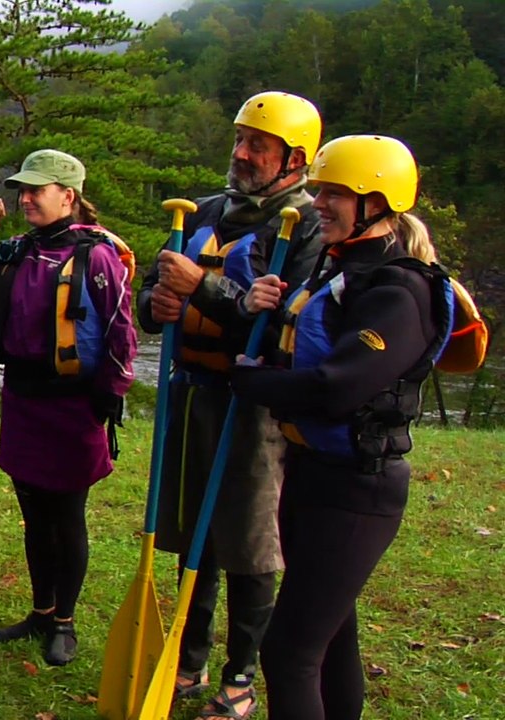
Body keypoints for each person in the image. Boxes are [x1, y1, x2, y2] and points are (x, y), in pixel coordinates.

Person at [232, 135, 453, 720]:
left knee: (287, 652)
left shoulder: (398, 290)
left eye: (336, 195)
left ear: (378, 203)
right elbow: (303, 352)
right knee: (330, 643)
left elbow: (337, 387)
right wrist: (259, 305)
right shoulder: (340, 272)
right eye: (321, 191)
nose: (320, 204)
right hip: (310, 473)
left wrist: (249, 382)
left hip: (358, 487)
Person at [136, 91, 322, 719]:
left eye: (257, 146)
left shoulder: (309, 230)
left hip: (254, 408)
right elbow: (153, 296)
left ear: (293, 159)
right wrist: (154, 306)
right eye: (239, 140)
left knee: (246, 542)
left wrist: (205, 290)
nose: (241, 154)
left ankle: (241, 676)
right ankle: (190, 659)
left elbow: (293, 329)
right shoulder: (208, 212)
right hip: (193, 396)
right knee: (196, 540)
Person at [0, 149, 136, 666]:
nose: (25, 198)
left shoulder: (96, 257)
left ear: (68, 196)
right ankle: (40, 610)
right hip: (25, 400)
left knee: (66, 516)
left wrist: (108, 400)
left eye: (37, 190)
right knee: (34, 516)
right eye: (22, 189)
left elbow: (122, 334)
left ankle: (65, 622)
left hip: (74, 405)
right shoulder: (13, 250)